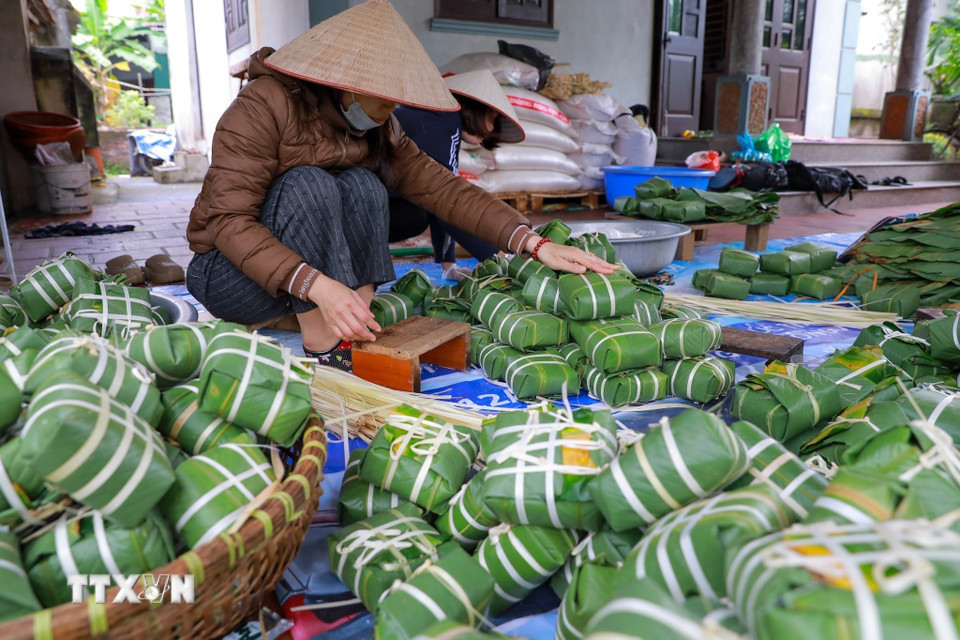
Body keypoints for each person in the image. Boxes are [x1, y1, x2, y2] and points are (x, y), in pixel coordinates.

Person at [185, 0, 615, 372]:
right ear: (346, 83)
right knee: (308, 183)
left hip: (294, 282)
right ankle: (325, 343)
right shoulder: (263, 105)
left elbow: (443, 189)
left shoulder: (378, 127)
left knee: (363, 184)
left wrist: (532, 242)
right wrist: (317, 287)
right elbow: (227, 220)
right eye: (383, 98)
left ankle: (355, 315)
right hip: (231, 277)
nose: (391, 109)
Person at [388, 70, 526, 282]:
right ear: (476, 108)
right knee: (420, 213)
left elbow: (439, 190)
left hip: (369, 203)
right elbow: (446, 200)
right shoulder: (445, 123)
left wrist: (449, 265)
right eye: (494, 116)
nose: (493, 127)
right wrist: (500, 258)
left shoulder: (432, 117)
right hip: (370, 208)